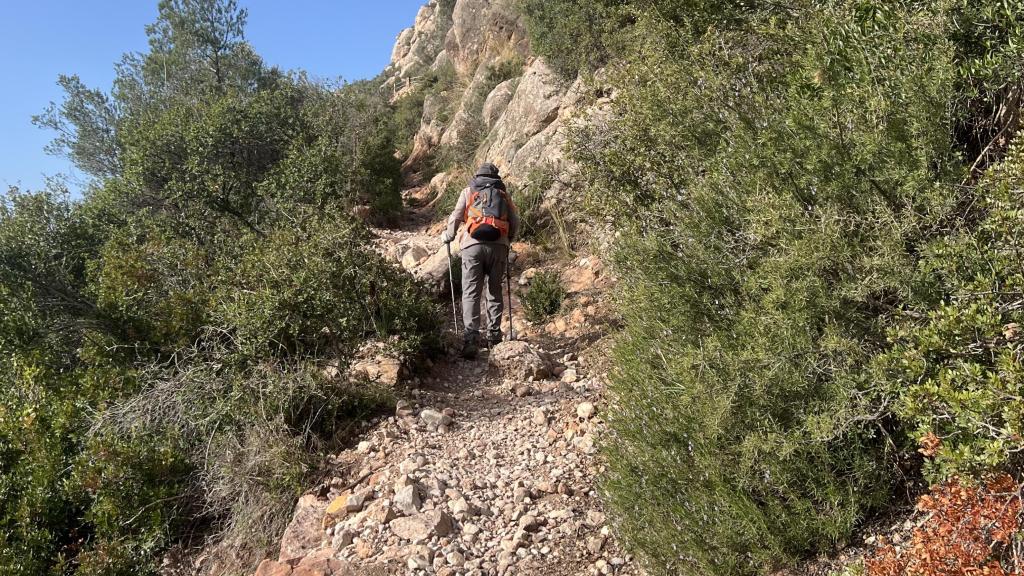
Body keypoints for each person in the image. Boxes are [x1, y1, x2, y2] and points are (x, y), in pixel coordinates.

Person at [441, 163, 520, 359]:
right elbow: (515, 221)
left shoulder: (468, 191)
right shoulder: (503, 194)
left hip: (472, 246)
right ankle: (494, 336)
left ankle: (471, 338)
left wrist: (448, 236)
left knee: (471, 292)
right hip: (499, 246)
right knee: (494, 290)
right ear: (496, 176)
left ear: (477, 175)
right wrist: (507, 240)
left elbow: (456, 216)